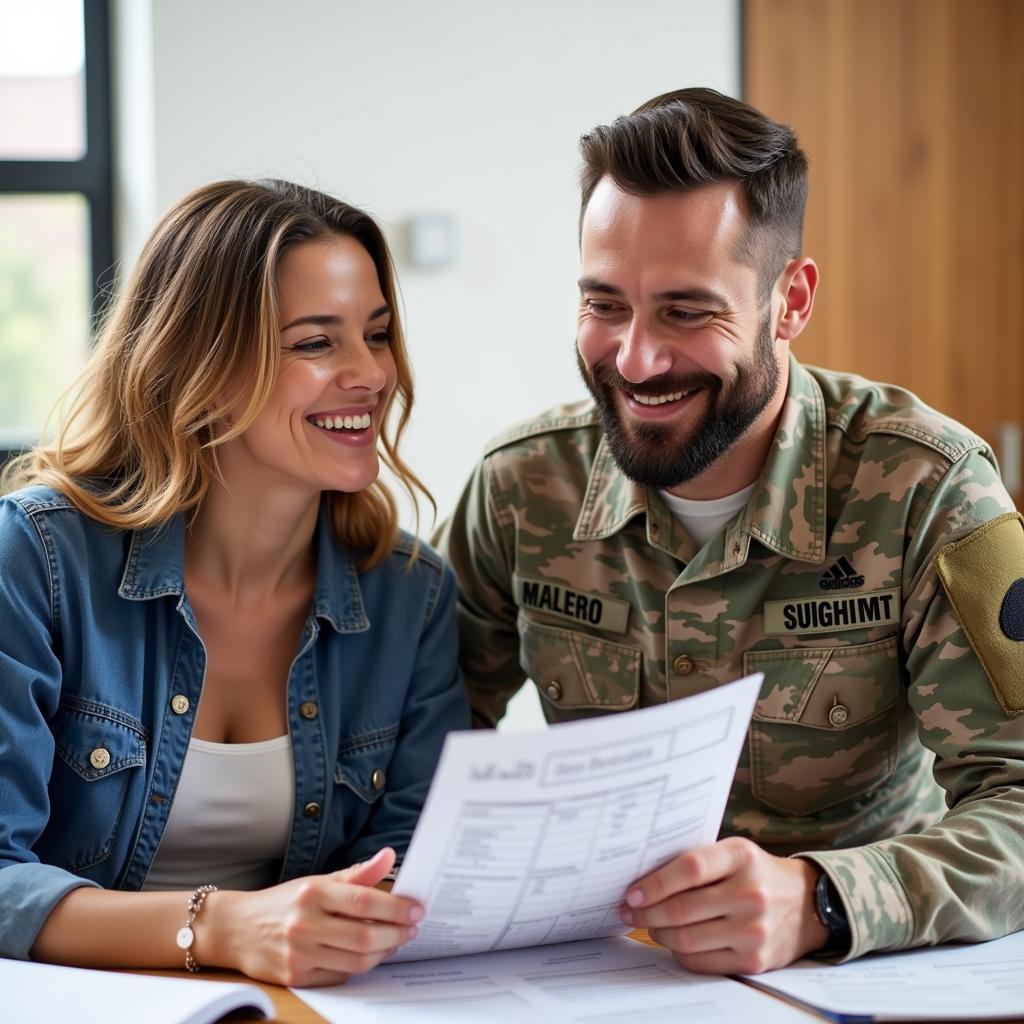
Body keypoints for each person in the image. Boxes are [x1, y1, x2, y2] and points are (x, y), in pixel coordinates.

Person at [436, 88, 1024, 974]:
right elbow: (418, 756)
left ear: (790, 302)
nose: (635, 360)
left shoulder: (929, 488)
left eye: (686, 311)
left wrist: (821, 899)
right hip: (595, 977)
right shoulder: (522, 487)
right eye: (604, 305)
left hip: (853, 976)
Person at [0, 179, 469, 986]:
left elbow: (414, 859)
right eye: (316, 344)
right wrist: (219, 927)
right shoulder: (36, 559)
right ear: (202, 367)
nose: (371, 375)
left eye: (379, 334)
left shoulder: (411, 596)